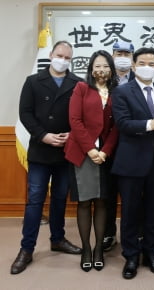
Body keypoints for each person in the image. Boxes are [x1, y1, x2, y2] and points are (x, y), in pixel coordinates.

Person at [11, 41, 82, 275]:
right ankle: (26, 249)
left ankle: (58, 239)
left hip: (65, 150)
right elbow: (25, 113)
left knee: (60, 198)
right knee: (35, 201)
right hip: (41, 151)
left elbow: (82, 115)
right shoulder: (33, 81)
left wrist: (72, 135)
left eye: (67, 57)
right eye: (59, 55)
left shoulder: (77, 83)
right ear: (51, 55)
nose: (63, 60)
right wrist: (43, 135)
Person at [111, 47, 154, 279]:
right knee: (130, 212)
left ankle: (152, 253)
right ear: (134, 66)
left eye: (152, 63)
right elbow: (123, 124)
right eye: (143, 63)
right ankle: (131, 256)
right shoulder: (122, 91)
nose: (148, 67)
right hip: (131, 161)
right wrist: (150, 124)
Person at [64, 50, 119, 272]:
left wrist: (104, 151)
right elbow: (75, 120)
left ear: (111, 69)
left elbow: (117, 126)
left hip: (106, 155)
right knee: (85, 202)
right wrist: (90, 150)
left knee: (103, 202)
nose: (101, 70)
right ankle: (86, 248)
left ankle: (98, 249)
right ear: (90, 68)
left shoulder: (118, 91)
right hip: (82, 153)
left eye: (105, 66)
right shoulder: (81, 88)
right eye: (97, 65)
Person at [102, 40, 135, 253]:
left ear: (132, 58)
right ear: (112, 56)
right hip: (108, 145)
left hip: (133, 146)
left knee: (132, 195)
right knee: (108, 192)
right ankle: (108, 233)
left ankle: (133, 234)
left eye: (126, 53)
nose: (122, 56)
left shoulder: (141, 78)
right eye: (118, 52)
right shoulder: (104, 81)